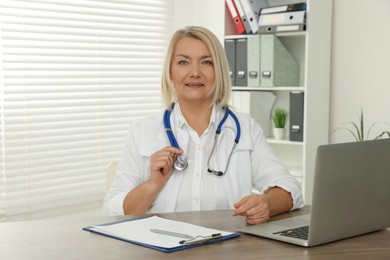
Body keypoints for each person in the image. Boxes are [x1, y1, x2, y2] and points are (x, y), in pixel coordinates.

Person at [103, 26, 304, 224]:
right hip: (162, 251)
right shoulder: (142, 131)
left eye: (206, 62)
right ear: (170, 71)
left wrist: (266, 203)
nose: (195, 72)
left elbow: (290, 189)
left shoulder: (245, 127)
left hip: (228, 248)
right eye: (183, 62)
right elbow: (112, 210)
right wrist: (153, 184)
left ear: (219, 71)